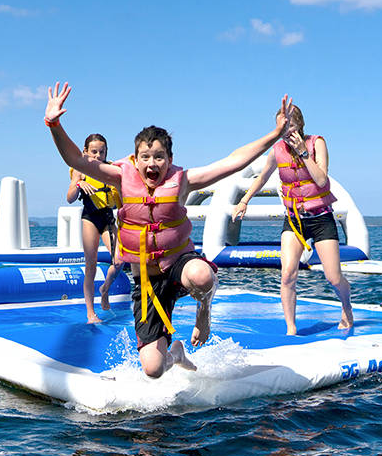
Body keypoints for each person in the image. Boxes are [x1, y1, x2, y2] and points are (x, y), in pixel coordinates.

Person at [45, 82, 291, 379]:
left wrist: (275, 134)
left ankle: (203, 312)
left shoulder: (184, 180)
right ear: (135, 160)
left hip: (178, 263)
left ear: (170, 160)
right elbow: (76, 159)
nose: (152, 164)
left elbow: (233, 161)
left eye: (159, 157)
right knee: (153, 369)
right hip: (147, 279)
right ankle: (176, 353)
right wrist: (54, 124)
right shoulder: (120, 178)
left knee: (202, 276)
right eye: (145, 157)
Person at [232, 103, 353, 335]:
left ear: (301, 125)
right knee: (287, 274)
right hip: (294, 220)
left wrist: (303, 152)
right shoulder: (277, 150)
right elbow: (261, 178)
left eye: (291, 126)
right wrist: (244, 200)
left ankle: (346, 307)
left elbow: (322, 181)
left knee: (333, 277)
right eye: (283, 127)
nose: (287, 132)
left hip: (321, 218)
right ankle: (291, 328)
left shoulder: (317, 143)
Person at [66, 133, 122, 324]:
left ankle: (105, 289)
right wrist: (79, 183)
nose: (98, 155)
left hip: (108, 218)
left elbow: (122, 199)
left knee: (119, 260)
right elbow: (70, 198)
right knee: (91, 265)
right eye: (94, 151)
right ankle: (91, 313)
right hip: (90, 218)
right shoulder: (79, 169)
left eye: (102, 152)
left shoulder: (112, 169)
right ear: (85, 151)